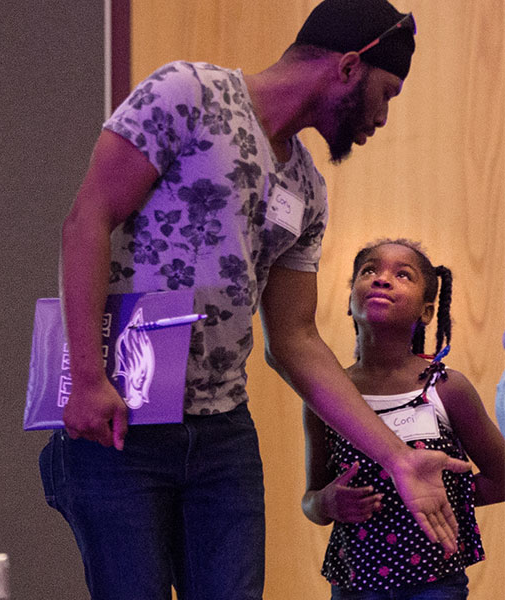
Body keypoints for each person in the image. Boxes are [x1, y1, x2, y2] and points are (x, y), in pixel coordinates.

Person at [39, 1, 468, 599]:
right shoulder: (189, 93)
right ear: (348, 68)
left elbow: (294, 339)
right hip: (125, 423)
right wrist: (86, 375)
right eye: (388, 93)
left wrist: (397, 456)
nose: (385, 116)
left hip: (222, 438)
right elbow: (89, 216)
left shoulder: (307, 188)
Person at [302, 239, 505, 598]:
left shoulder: (446, 387)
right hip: (354, 582)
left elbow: (502, 477)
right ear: (350, 302)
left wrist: (448, 499)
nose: (382, 279)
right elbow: (312, 497)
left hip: (435, 581)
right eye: (369, 271)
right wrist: (325, 504)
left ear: (426, 312)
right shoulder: (326, 394)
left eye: (403, 275)